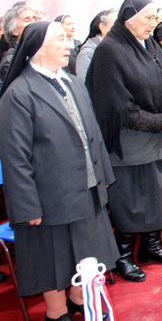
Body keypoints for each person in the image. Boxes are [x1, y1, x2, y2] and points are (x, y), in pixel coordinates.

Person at [0, 22, 119, 321]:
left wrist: (102, 178)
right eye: (61, 40)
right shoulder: (18, 94)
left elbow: (93, 133)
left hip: (85, 188)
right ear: (38, 48)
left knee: (86, 252)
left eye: (68, 39)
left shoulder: (73, 82)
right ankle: (57, 313)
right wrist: (27, 206)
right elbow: (15, 159)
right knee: (52, 260)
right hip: (48, 198)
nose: (69, 45)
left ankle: (81, 299)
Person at [86, 0, 162, 283]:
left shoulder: (150, 45)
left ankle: (151, 247)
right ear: (129, 19)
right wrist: (159, 121)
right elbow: (116, 107)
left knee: (156, 198)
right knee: (132, 202)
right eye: (148, 18)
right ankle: (124, 256)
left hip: (158, 137)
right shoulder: (110, 51)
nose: (153, 25)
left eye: (156, 18)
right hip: (129, 143)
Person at [75, 9, 117, 81]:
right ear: (102, 27)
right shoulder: (87, 53)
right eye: (116, 25)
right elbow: (84, 85)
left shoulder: (119, 48)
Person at [0, 4, 37, 82]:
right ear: (14, 31)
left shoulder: (39, 51)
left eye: (34, 18)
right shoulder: (11, 61)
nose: (34, 23)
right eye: (27, 20)